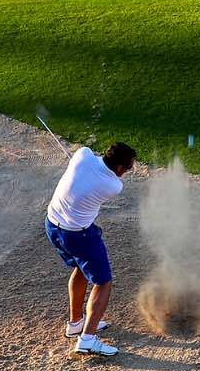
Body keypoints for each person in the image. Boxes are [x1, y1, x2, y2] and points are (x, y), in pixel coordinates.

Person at [45, 141, 137, 356]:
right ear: (120, 168)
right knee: (103, 282)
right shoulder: (113, 186)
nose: (127, 172)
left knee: (80, 266)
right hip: (78, 235)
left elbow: (87, 162)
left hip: (52, 224)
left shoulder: (82, 155)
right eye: (129, 168)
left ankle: (75, 322)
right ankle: (87, 339)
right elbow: (100, 179)